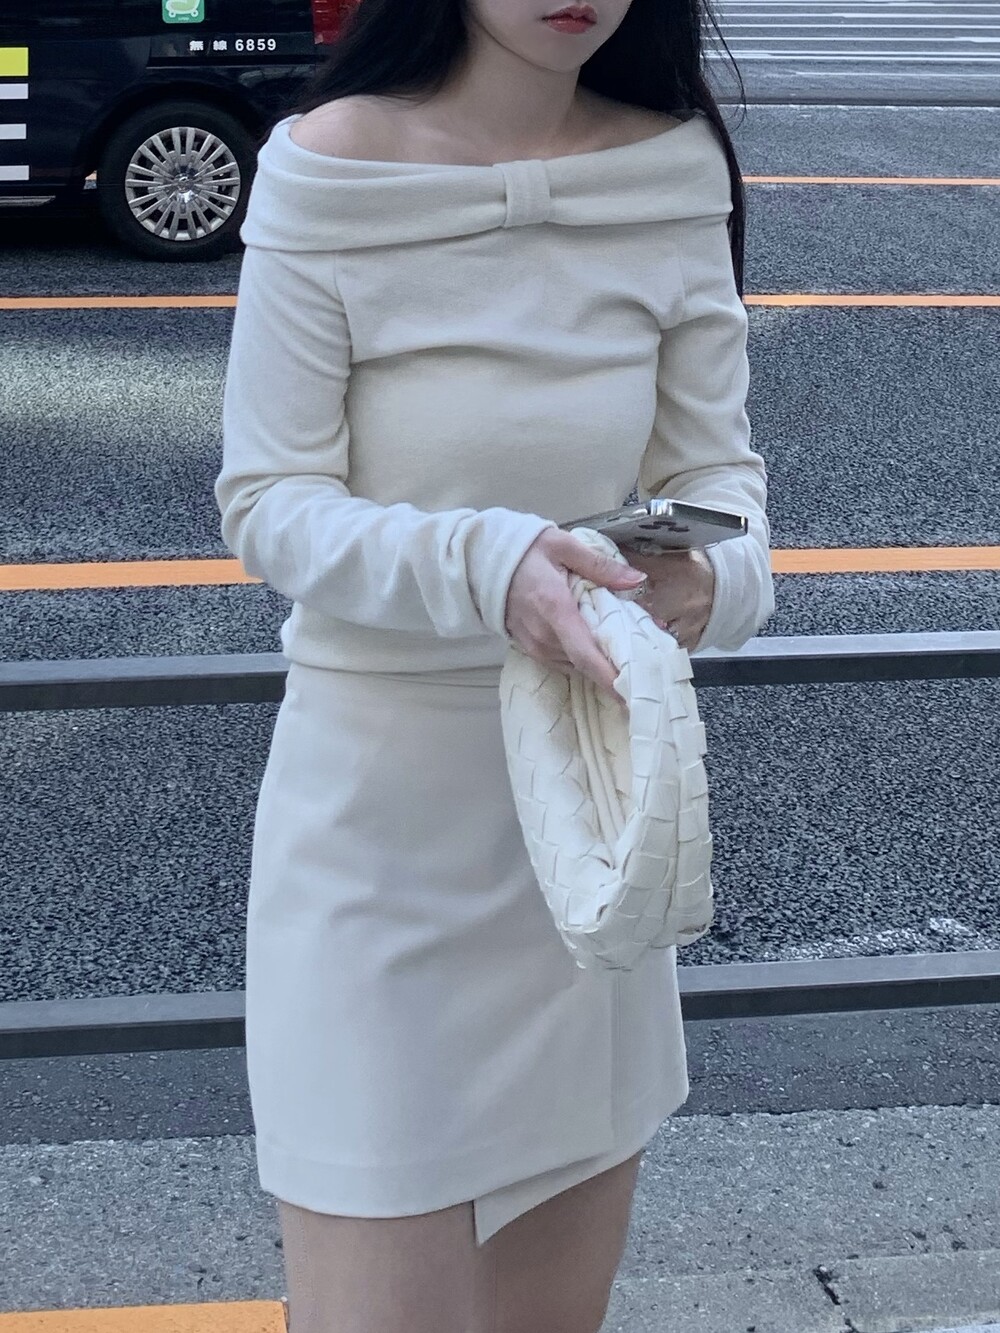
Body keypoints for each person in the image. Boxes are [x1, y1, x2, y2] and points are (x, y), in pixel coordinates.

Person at [214, 0, 774, 1328]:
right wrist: (489, 563)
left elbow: (723, 482)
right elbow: (268, 502)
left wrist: (710, 583)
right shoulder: (329, 163)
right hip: (377, 843)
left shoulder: (669, 167)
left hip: (586, 829)